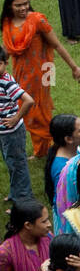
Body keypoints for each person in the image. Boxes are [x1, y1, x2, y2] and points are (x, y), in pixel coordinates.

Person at [0, 0, 79, 160]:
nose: (23, 8)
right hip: (22, 74)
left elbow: (57, 45)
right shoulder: (7, 23)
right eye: (18, 5)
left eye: (26, 4)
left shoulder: (37, 20)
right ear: (9, 6)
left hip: (43, 73)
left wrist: (74, 67)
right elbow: (6, 50)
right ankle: (42, 150)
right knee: (29, 110)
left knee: (38, 111)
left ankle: (56, 146)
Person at [0, 45, 32, 201]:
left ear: (6, 63)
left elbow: (28, 101)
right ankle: (15, 193)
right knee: (11, 164)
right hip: (4, 133)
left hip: (12, 132)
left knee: (18, 166)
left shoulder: (7, 83)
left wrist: (15, 118)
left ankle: (23, 199)